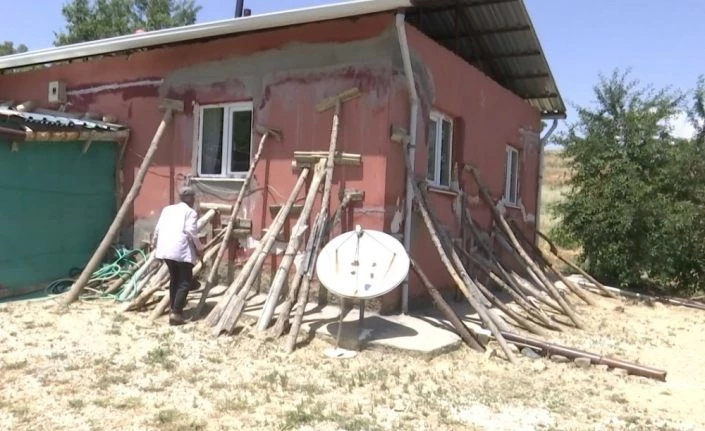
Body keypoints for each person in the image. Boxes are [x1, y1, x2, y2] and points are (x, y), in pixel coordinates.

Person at [151, 186, 204, 326]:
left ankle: (172, 309)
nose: (193, 200)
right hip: (180, 251)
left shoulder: (167, 209)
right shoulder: (190, 212)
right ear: (190, 198)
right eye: (193, 198)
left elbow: (157, 229)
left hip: (165, 250)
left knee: (174, 279)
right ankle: (176, 313)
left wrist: (154, 244)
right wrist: (199, 248)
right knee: (185, 281)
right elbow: (191, 232)